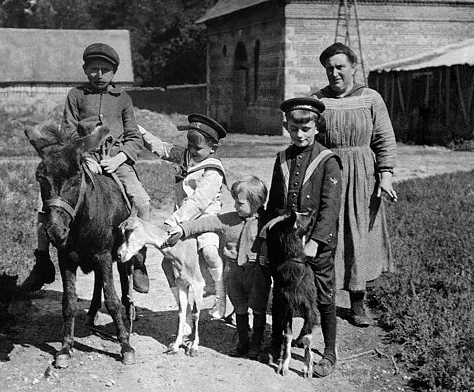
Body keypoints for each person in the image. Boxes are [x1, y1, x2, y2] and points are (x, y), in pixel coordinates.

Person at [22, 43, 151, 294]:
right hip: (85, 158)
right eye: (94, 69)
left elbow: (134, 136)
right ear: (85, 70)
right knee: (52, 206)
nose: (99, 75)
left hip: (117, 160)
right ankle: (42, 262)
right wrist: (85, 153)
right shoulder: (76, 95)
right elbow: (67, 130)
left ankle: (138, 259)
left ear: (114, 72)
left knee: (143, 203)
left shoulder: (123, 99)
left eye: (105, 70)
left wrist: (119, 158)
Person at [313, 42, 398, 327]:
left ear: (353, 67)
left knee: (359, 234)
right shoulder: (317, 100)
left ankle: (358, 301)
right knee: (328, 232)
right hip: (330, 174)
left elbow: (384, 138)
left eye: (340, 67)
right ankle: (321, 299)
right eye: (329, 68)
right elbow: (308, 140)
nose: (334, 73)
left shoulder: (371, 98)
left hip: (363, 174)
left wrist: (385, 174)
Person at [265, 97, 342, 377]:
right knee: (283, 290)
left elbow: (330, 207)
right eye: (294, 128)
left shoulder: (328, 161)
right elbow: (274, 204)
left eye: (306, 129)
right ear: (287, 127)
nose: (299, 134)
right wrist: (265, 237)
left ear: (317, 128)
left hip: (315, 242)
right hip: (286, 243)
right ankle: (277, 340)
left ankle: (330, 351)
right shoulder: (281, 159)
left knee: (322, 293)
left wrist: (315, 242)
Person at [168, 176, 270, 359]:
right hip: (233, 272)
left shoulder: (266, 222)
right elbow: (206, 223)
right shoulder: (229, 220)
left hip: (257, 272)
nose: (236, 207)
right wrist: (183, 229)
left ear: (256, 203)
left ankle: (256, 343)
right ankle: (243, 343)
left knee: (258, 307)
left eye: (240, 203)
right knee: (239, 305)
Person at [138, 114, 228, 319]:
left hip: (205, 217)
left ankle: (220, 294)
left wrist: (175, 219)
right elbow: (162, 148)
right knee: (167, 261)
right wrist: (141, 132)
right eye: (190, 146)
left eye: (198, 149)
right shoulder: (186, 155)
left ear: (213, 149)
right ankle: (183, 308)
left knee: (209, 252)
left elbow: (199, 201)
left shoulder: (213, 169)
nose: (192, 152)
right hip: (182, 217)